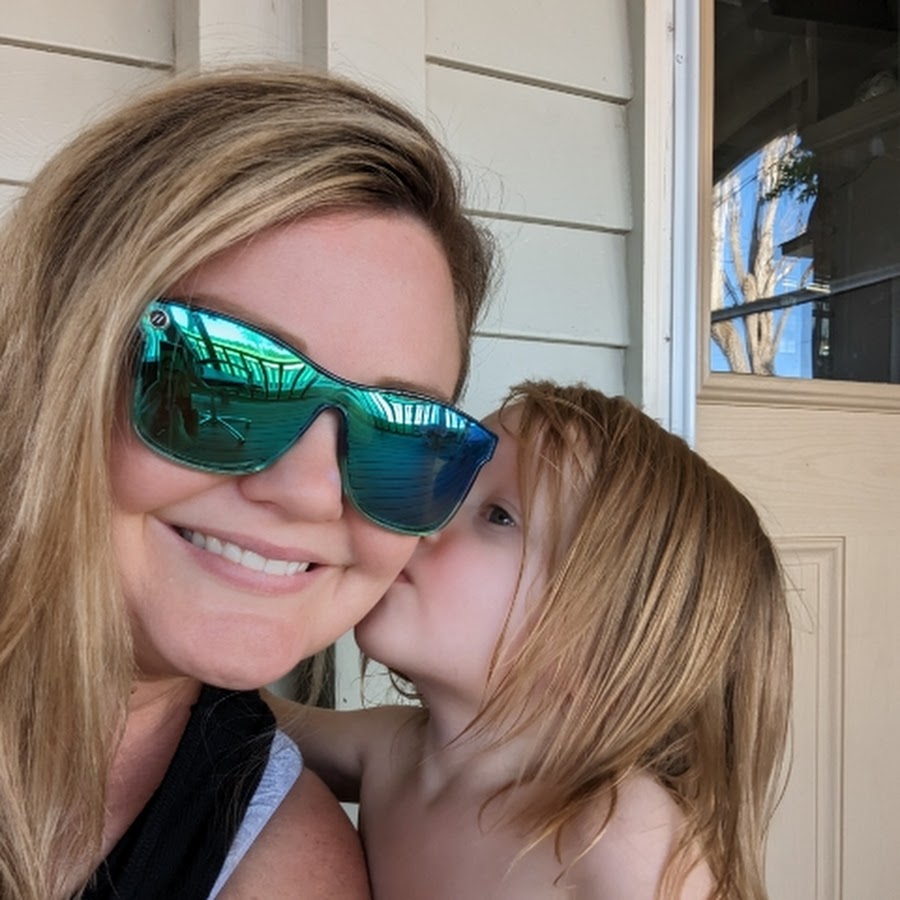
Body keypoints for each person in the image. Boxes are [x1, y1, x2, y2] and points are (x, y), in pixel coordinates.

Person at [0, 66, 496, 900]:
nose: (311, 492)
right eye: (224, 378)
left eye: (403, 432)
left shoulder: (288, 862)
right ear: (48, 360)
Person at [276, 380, 793, 900]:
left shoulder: (622, 836)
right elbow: (240, 712)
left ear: (600, 649)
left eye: (498, 515)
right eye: (446, 485)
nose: (426, 517)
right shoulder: (392, 752)